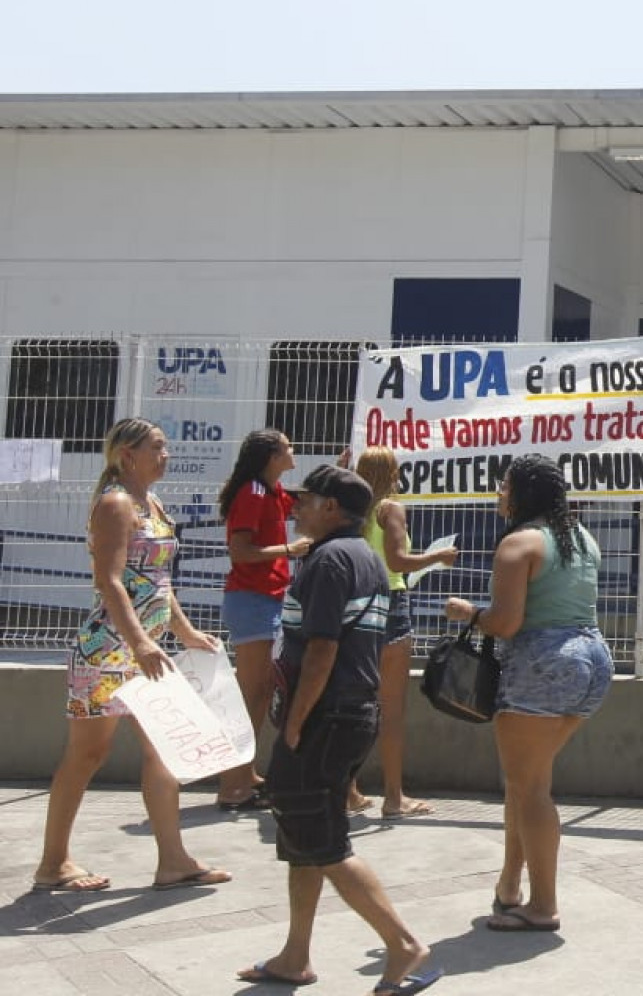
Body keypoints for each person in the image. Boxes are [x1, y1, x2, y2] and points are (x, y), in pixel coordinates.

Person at [241, 465, 439, 994]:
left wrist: (295, 723)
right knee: (302, 831)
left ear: (331, 508)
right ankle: (294, 956)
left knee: (323, 841)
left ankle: (403, 946)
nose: (295, 507)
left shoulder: (329, 560)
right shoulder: (364, 557)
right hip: (348, 714)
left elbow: (324, 649)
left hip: (325, 717)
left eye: (305, 500)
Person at [32, 418, 231, 893]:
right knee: (86, 755)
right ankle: (52, 864)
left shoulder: (153, 504)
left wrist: (182, 630)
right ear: (128, 456)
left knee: (164, 746)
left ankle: (174, 860)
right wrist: (141, 641)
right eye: (157, 448)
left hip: (146, 651)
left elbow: (158, 580)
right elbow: (111, 580)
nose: (166, 455)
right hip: (109, 652)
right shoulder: (116, 504)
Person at [444, 453, 613, 933]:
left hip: (542, 666)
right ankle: (510, 887)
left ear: (521, 493)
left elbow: (506, 623)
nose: (499, 494)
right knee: (524, 782)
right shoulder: (581, 537)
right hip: (593, 663)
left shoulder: (518, 544)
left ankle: (542, 905)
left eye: (504, 486)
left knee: (532, 789)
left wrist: (467, 613)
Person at [350, 445, 458, 819]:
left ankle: (347, 789)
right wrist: (436, 557)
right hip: (391, 602)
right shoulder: (389, 509)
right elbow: (397, 560)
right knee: (391, 708)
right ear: (391, 472)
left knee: (353, 699)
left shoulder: (351, 510)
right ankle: (394, 797)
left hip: (354, 604)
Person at [214, 428, 311, 811]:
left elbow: (298, 503)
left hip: (264, 600)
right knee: (249, 694)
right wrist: (287, 549)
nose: (293, 451)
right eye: (288, 447)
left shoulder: (270, 491)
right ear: (272, 456)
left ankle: (245, 772)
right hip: (251, 600)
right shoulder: (253, 493)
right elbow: (241, 551)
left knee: (260, 692)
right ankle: (231, 785)